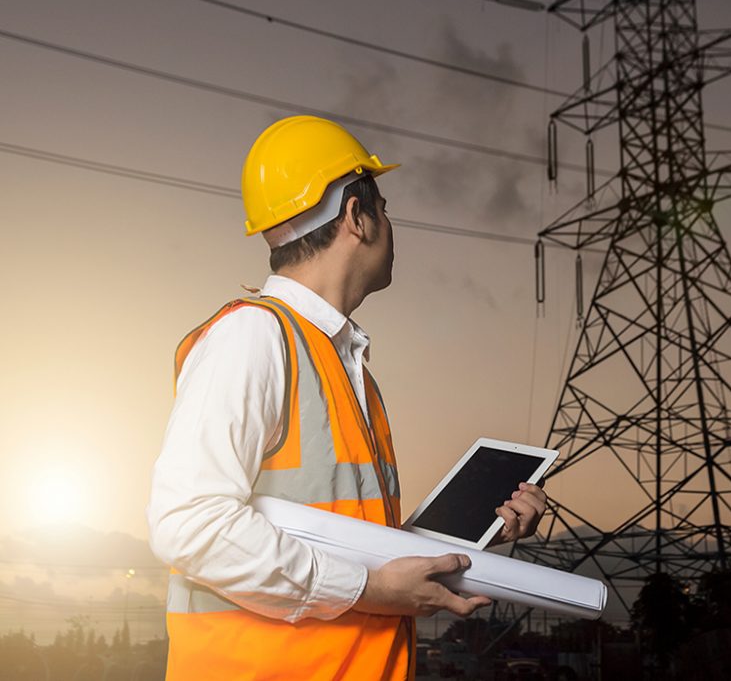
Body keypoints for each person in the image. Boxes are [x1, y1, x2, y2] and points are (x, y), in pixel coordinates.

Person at [147, 115, 548, 680]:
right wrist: (372, 588)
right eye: (384, 207)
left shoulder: (340, 362)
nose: (389, 223)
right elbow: (189, 524)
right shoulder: (254, 337)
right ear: (358, 217)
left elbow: (350, 543)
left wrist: (469, 541)